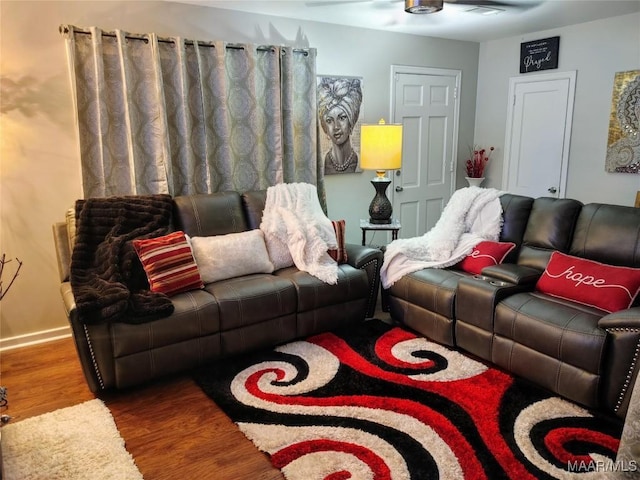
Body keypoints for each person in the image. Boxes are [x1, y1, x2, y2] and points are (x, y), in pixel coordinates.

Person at [317, 77, 362, 174]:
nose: (336, 127)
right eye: (329, 120)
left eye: (342, 118)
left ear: (351, 122)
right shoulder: (320, 165)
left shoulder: (361, 163)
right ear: (325, 127)